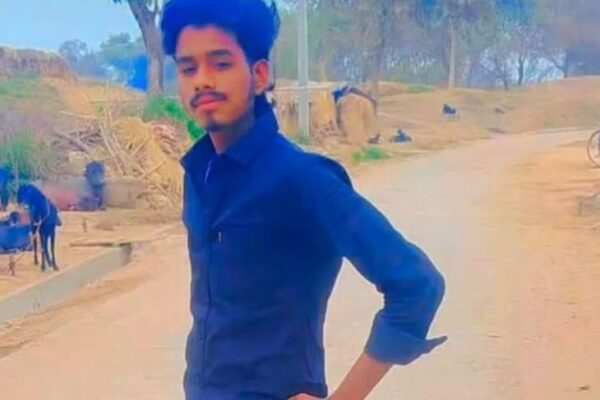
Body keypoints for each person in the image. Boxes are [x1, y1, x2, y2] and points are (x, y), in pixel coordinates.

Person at [161, 1, 447, 399]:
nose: (202, 81)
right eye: (188, 68)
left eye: (221, 63)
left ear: (260, 75)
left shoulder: (302, 179)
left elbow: (417, 285)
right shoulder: (201, 174)